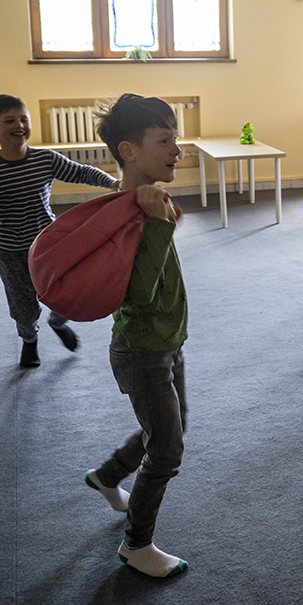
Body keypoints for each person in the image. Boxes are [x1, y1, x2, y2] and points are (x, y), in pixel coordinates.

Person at [82, 94, 189, 579]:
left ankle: (107, 476)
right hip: (143, 349)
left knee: (170, 428)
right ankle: (136, 544)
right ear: (128, 150)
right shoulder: (128, 212)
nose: (177, 150)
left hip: (167, 342)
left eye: (175, 138)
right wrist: (160, 227)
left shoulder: (148, 202)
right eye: (164, 140)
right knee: (166, 448)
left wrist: (162, 221)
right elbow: (139, 293)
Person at [0, 95, 118, 368]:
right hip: (10, 252)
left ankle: (58, 323)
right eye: (9, 121)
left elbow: (81, 172)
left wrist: (113, 182)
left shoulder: (45, 159)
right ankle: (29, 341)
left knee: (66, 293)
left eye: (24, 119)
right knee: (23, 307)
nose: (19, 125)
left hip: (48, 246)